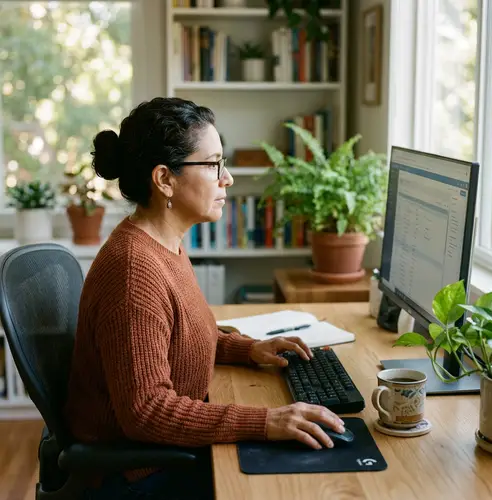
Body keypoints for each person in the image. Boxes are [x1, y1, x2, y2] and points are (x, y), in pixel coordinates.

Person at [64, 97, 345, 500]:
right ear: (165, 179)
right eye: (213, 164)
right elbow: (147, 411)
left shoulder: (165, 242)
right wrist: (265, 421)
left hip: (163, 453)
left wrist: (250, 350)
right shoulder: (133, 270)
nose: (226, 178)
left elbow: (186, 334)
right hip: (137, 473)